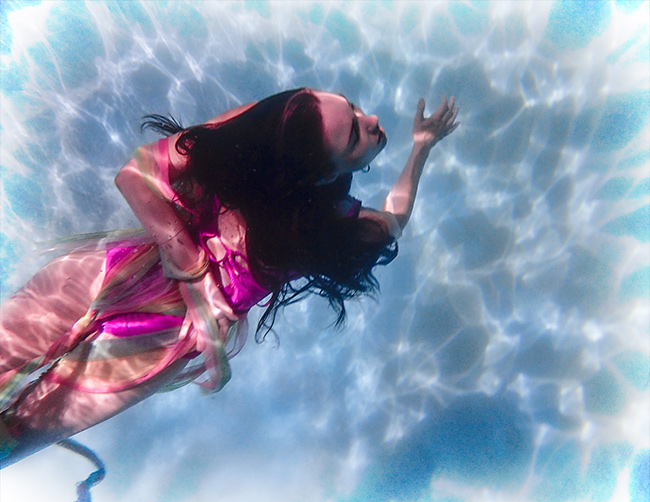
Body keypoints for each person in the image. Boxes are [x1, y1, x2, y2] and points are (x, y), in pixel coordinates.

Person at [0, 87, 458, 470]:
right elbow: (136, 172)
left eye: (356, 130)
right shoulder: (282, 121)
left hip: (158, 339)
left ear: (325, 175)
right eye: (355, 118)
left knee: (15, 434)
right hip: (125, 274)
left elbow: (394, 219)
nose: (372, 117)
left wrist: (423, 146)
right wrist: (196, 278)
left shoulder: (327, 229)